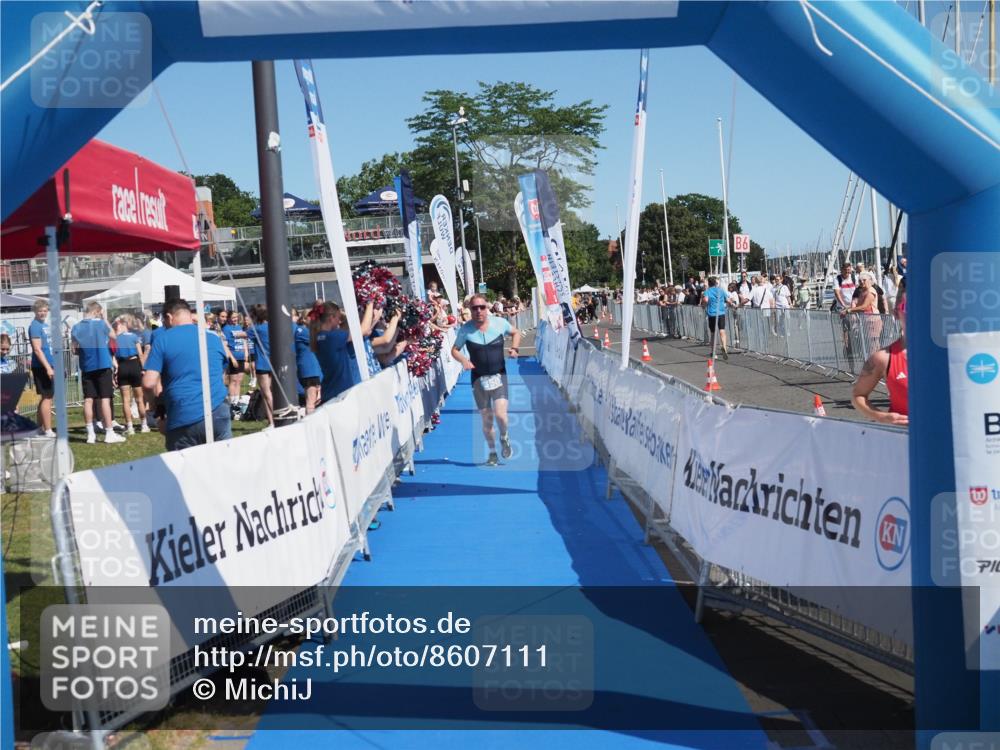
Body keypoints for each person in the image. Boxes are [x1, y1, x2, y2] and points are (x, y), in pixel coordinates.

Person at [142, 299, 231, 450]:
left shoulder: (162, 339)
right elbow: (223, 373)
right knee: (222, 468)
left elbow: (148, 383)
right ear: (190, 315)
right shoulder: (212, 338)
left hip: (183, 414)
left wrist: (153, 409)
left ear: (169, 317)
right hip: (218, 410)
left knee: (184, 471)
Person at [450, 294, 522, 466]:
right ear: (470, 310)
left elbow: (516, 332)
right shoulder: (466, 329)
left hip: (499, 375)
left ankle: (504, 437)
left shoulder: (499, 323)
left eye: (482, 307)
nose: (479, 311)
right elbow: (454, 350)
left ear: (487, 308)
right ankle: (492, 453)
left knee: (501, 415)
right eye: (474, 308)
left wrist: (514, 348)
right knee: (487, 420)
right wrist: (464, 361)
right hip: (478, 379)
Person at [852, 281, 907, 425]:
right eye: (908, 307)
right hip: (902, 439)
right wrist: (880, 416)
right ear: (896, 312)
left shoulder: (948, 353)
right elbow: (858, 396)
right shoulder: (883, 358)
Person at [72, 302, 124, 444]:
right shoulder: (101, 324)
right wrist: (105, 318)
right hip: (102, 364)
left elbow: (74, 349)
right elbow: (114, 336)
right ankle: (109, 433)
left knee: (88, 400)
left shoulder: (76, 327)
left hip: (87, 367)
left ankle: (91, 434)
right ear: (97, 312)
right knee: (105, 399)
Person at [311, 302, 354, 404]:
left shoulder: (320, 336)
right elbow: (363, 330)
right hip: (340, 393)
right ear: (331, 318)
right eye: (338, 318)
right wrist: (370, 304)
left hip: (330, 391)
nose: (339, 321)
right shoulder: (333, 337)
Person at [112, 316, 150, 434]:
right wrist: (143, 368)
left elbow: (113, 356)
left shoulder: (115, 339)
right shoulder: (134, 337)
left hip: (122, 366)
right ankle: (144, 425)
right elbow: (140, 354)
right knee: (139, 399)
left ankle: (130, 427)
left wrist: (116, 369)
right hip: (134, 365)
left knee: (125, 400)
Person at [28, 299, 55, 436]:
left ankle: (38, 428)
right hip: (42, 366)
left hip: (49, 364)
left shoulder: (44, 325)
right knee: (47, 397)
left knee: (47, 396)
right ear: (35, 311)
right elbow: (37, 350)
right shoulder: (35, 326)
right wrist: (48, 368)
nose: (43, 313)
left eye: (45, 310)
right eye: (40, 311)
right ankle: (48, 429)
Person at [293, 309, 322, 413]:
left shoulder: (306, 331)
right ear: (304, 319)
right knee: (311, 401)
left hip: (312, 370)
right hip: (309, 370)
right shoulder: (302, 331)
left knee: (314, 399)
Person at [251, 304, 274, 426]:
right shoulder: (274, 327)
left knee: (266, 393)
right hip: (274, 363)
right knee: (269, 393)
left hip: (262, 364)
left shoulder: (256, 328)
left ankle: (275, 420)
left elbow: (243, 334)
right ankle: (271, 422)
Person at [701, 277, 732, 360]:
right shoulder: (721, 290)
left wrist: (703, 305)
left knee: (713, 334)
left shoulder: (707, 291)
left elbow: (706, 300)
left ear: (709, 284)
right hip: (721, 313)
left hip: (712, 314)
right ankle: (724, 348)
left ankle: (713, 352)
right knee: (722, 331)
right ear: (715, 283)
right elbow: (728, 300)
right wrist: (732, 304)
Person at [223, 310, 248, 410]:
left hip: (241, 356)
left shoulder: (239, 327)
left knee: (239, 380)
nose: (235, 319)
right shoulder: (226, 329)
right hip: (234, 357)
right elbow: (226, 345)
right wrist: (232, 359)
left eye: (236, 317)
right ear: (229, 318)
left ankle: (237, 402)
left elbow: (244, 340)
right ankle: (231, 402)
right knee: (233, 380)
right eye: (233, 317)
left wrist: (246, 352)